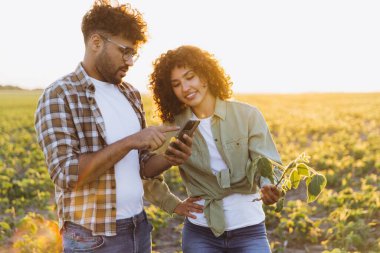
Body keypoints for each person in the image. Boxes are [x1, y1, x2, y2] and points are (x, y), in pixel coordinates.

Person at [34, 1, 199, 252]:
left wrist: (169, 158)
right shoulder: (59, 95)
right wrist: (132, 140)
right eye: (125, 51)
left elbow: (142, 165)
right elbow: (67, 174)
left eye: (134, 53)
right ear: (96, 42)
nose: (130, 61)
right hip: (92, 237)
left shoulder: (130, 95)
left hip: (138, 227)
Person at [149, 45, 283, 253]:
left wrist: (268, 186)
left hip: (249, 228)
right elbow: (146, 172)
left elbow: (269, 164)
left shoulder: (247, 115)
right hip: (200, 232)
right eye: (176, 84)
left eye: (190, 77)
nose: (185, 87)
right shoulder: (172, 128)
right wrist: (172, 204)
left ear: (206, 75)